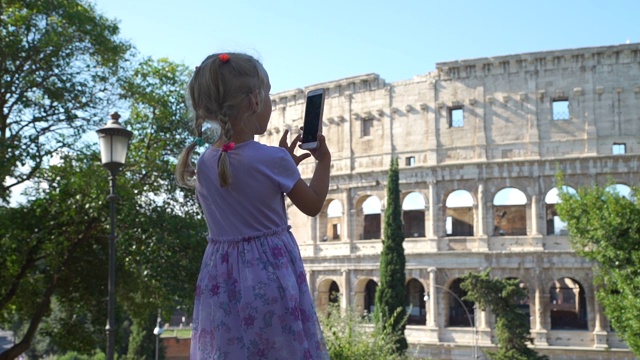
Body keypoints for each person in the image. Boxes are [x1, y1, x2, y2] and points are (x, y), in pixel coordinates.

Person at [175, 52, 331, 360]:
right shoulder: (272, 159)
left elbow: (244, 202)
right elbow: (312, 205)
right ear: (255, 101)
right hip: (270, 274)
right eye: (269, 94)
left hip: (220, 278)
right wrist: (323, 162)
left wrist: (283, 165)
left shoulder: (205, 162)